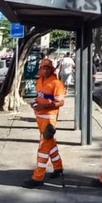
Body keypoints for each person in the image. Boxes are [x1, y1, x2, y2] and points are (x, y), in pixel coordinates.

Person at [25, 58, 65, 187]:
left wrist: (45, 107)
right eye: (43, 67)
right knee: (50, 143)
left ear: (52, 69)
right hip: (39, 117)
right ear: (40, 69)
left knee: (44, 146)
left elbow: (61, 102)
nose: (45, 70)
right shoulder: (39, 82)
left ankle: (38, 177)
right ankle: (58, 168)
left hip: (49, 118)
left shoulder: (56, 83)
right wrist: (35, 103)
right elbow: (39, 97)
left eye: (48, 68)